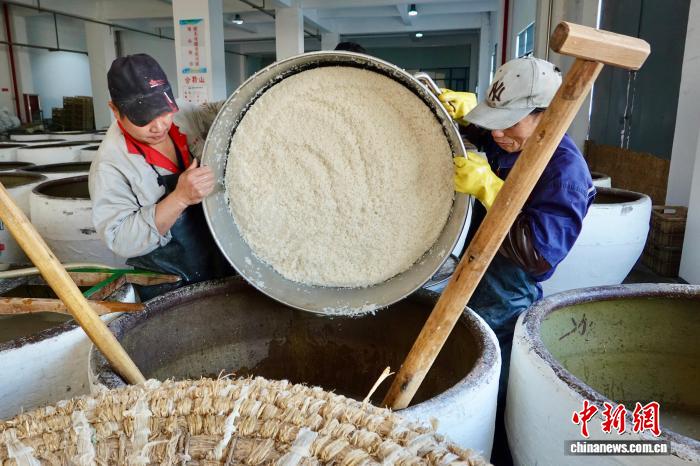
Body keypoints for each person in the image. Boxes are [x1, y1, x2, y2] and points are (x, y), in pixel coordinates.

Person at [438, 57, 595, 464]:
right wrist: (469, 115)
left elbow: (540, 257)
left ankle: (491, 451)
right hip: (474, 270)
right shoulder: (511, 136)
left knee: (493, 380)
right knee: (463, 356)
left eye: (509, 122)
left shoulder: (565, 173)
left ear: (548, 116)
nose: (499, 133)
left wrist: (492, 191)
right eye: (495, 121)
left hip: (508, 291)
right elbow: (491, 134)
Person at [89, 54, 233, 299]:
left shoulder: (182, 114)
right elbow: (121, 239)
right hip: (169, 285)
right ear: (115, 109)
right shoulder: (110, 166)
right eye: (143, 119)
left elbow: (220, 114)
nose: (159, 126)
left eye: (164, 112)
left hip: (221, 260)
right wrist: (180, 198)